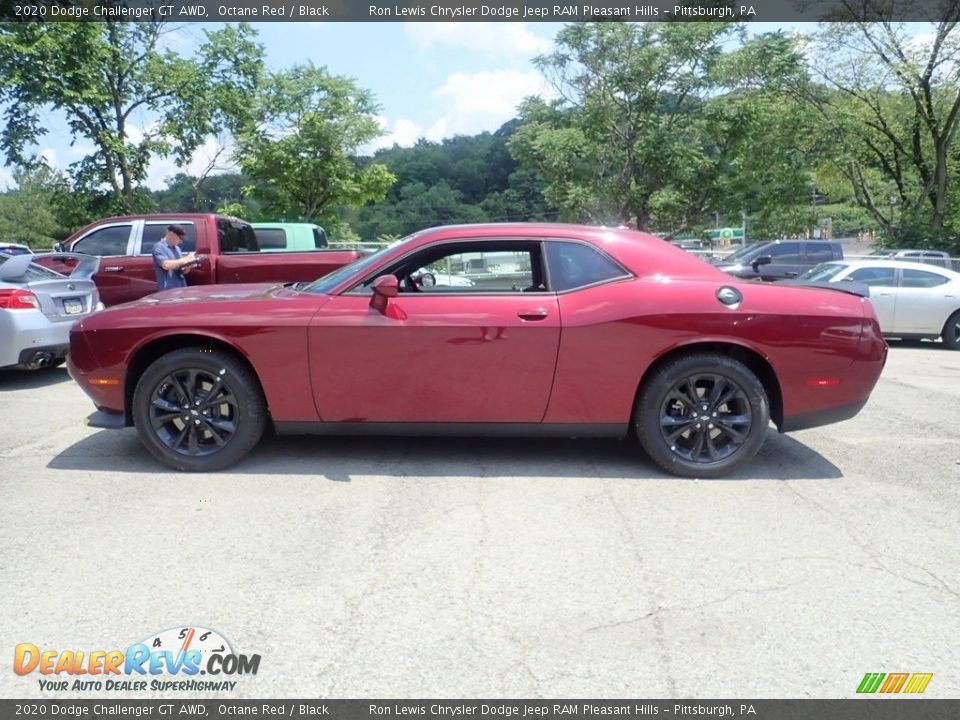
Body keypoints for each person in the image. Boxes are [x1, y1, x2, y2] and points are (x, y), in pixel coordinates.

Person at [152, 225, 197, 291]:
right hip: (168, 290)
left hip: (180, 287)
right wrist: (186, 259)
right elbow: (166, 265)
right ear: (171, 234)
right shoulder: (159, 247)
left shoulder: (177, 248)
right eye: (180, 238)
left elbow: (181, 270)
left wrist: (189, 265)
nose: (181, 241)